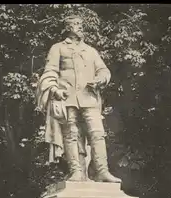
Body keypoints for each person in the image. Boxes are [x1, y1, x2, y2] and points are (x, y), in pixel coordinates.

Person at [36, 14, 121, 183]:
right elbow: (50, 72)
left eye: (81, 25)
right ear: (68, 28)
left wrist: (100, 79)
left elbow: (104, 70)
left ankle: (102, 171)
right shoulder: (58, 48)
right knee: (71, 134)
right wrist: (54, 89)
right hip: (67, 98)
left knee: (97, 133)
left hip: (89, 98)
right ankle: (76, 171)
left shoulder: (90, 51)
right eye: (76, 24)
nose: (81, 27)